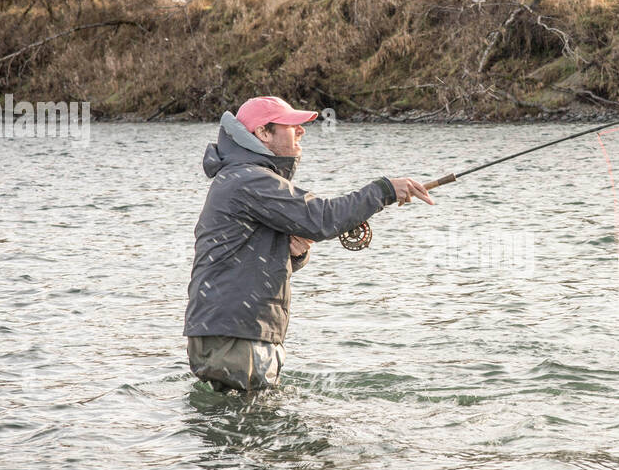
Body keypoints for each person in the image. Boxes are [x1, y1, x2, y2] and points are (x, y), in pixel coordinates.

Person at [184, 96, 434, 392]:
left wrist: (289, 254)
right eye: (291, 125)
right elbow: (321, 217)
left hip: (230, 333)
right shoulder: (249, 180)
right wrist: (385, 190)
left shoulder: (240, 178)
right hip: (235, 337)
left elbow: (242, 259)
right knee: (250, 430)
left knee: (245, 426)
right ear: (263, 133)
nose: (301, 131)